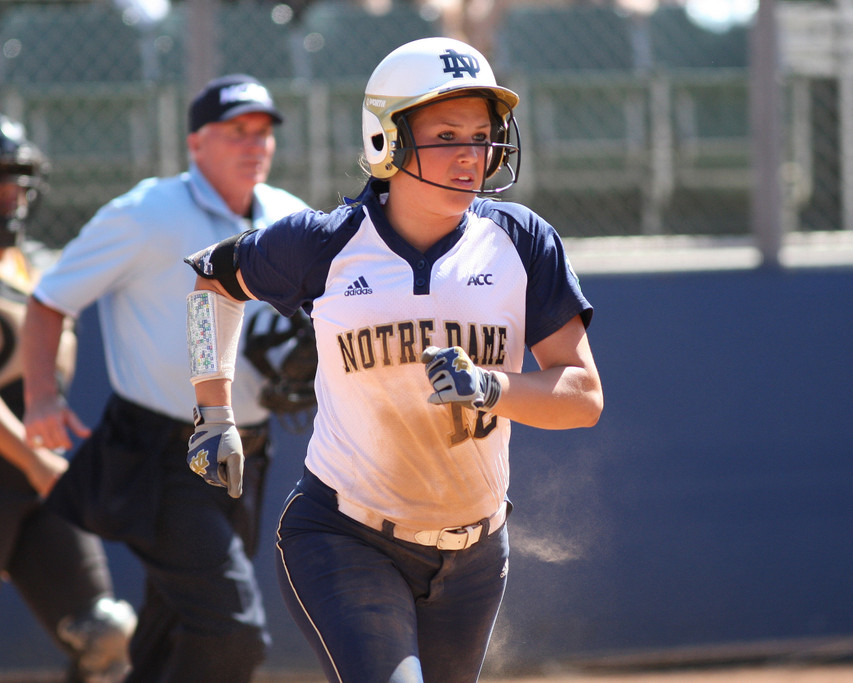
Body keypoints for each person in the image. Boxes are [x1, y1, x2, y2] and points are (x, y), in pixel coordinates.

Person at [183, 37, 604, 683]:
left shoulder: (521, 240)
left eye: (482, 136)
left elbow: (582, 397)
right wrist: (212, 412)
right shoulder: (326, 243)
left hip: (475, 553)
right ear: (387, 139)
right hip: (345, 534)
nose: (470, 155)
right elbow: (211, 282)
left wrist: (490, 385)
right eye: (446, 135)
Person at [22, 75, 309, 682]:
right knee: (230, 632)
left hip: (246, 450)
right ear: (195, 142)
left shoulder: (288, 215)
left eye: (263, 132)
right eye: (236, 130)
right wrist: (41, 395)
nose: (253, 144)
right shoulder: (147, 212)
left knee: (175, 626)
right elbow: (48, 299)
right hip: (162, 452)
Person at [0, 114, 136, 683]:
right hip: (31, 467)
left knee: (104, 633)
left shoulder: (37, 265)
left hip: (32, 484)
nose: (10, 195)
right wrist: (36, 462)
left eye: (15, 179)